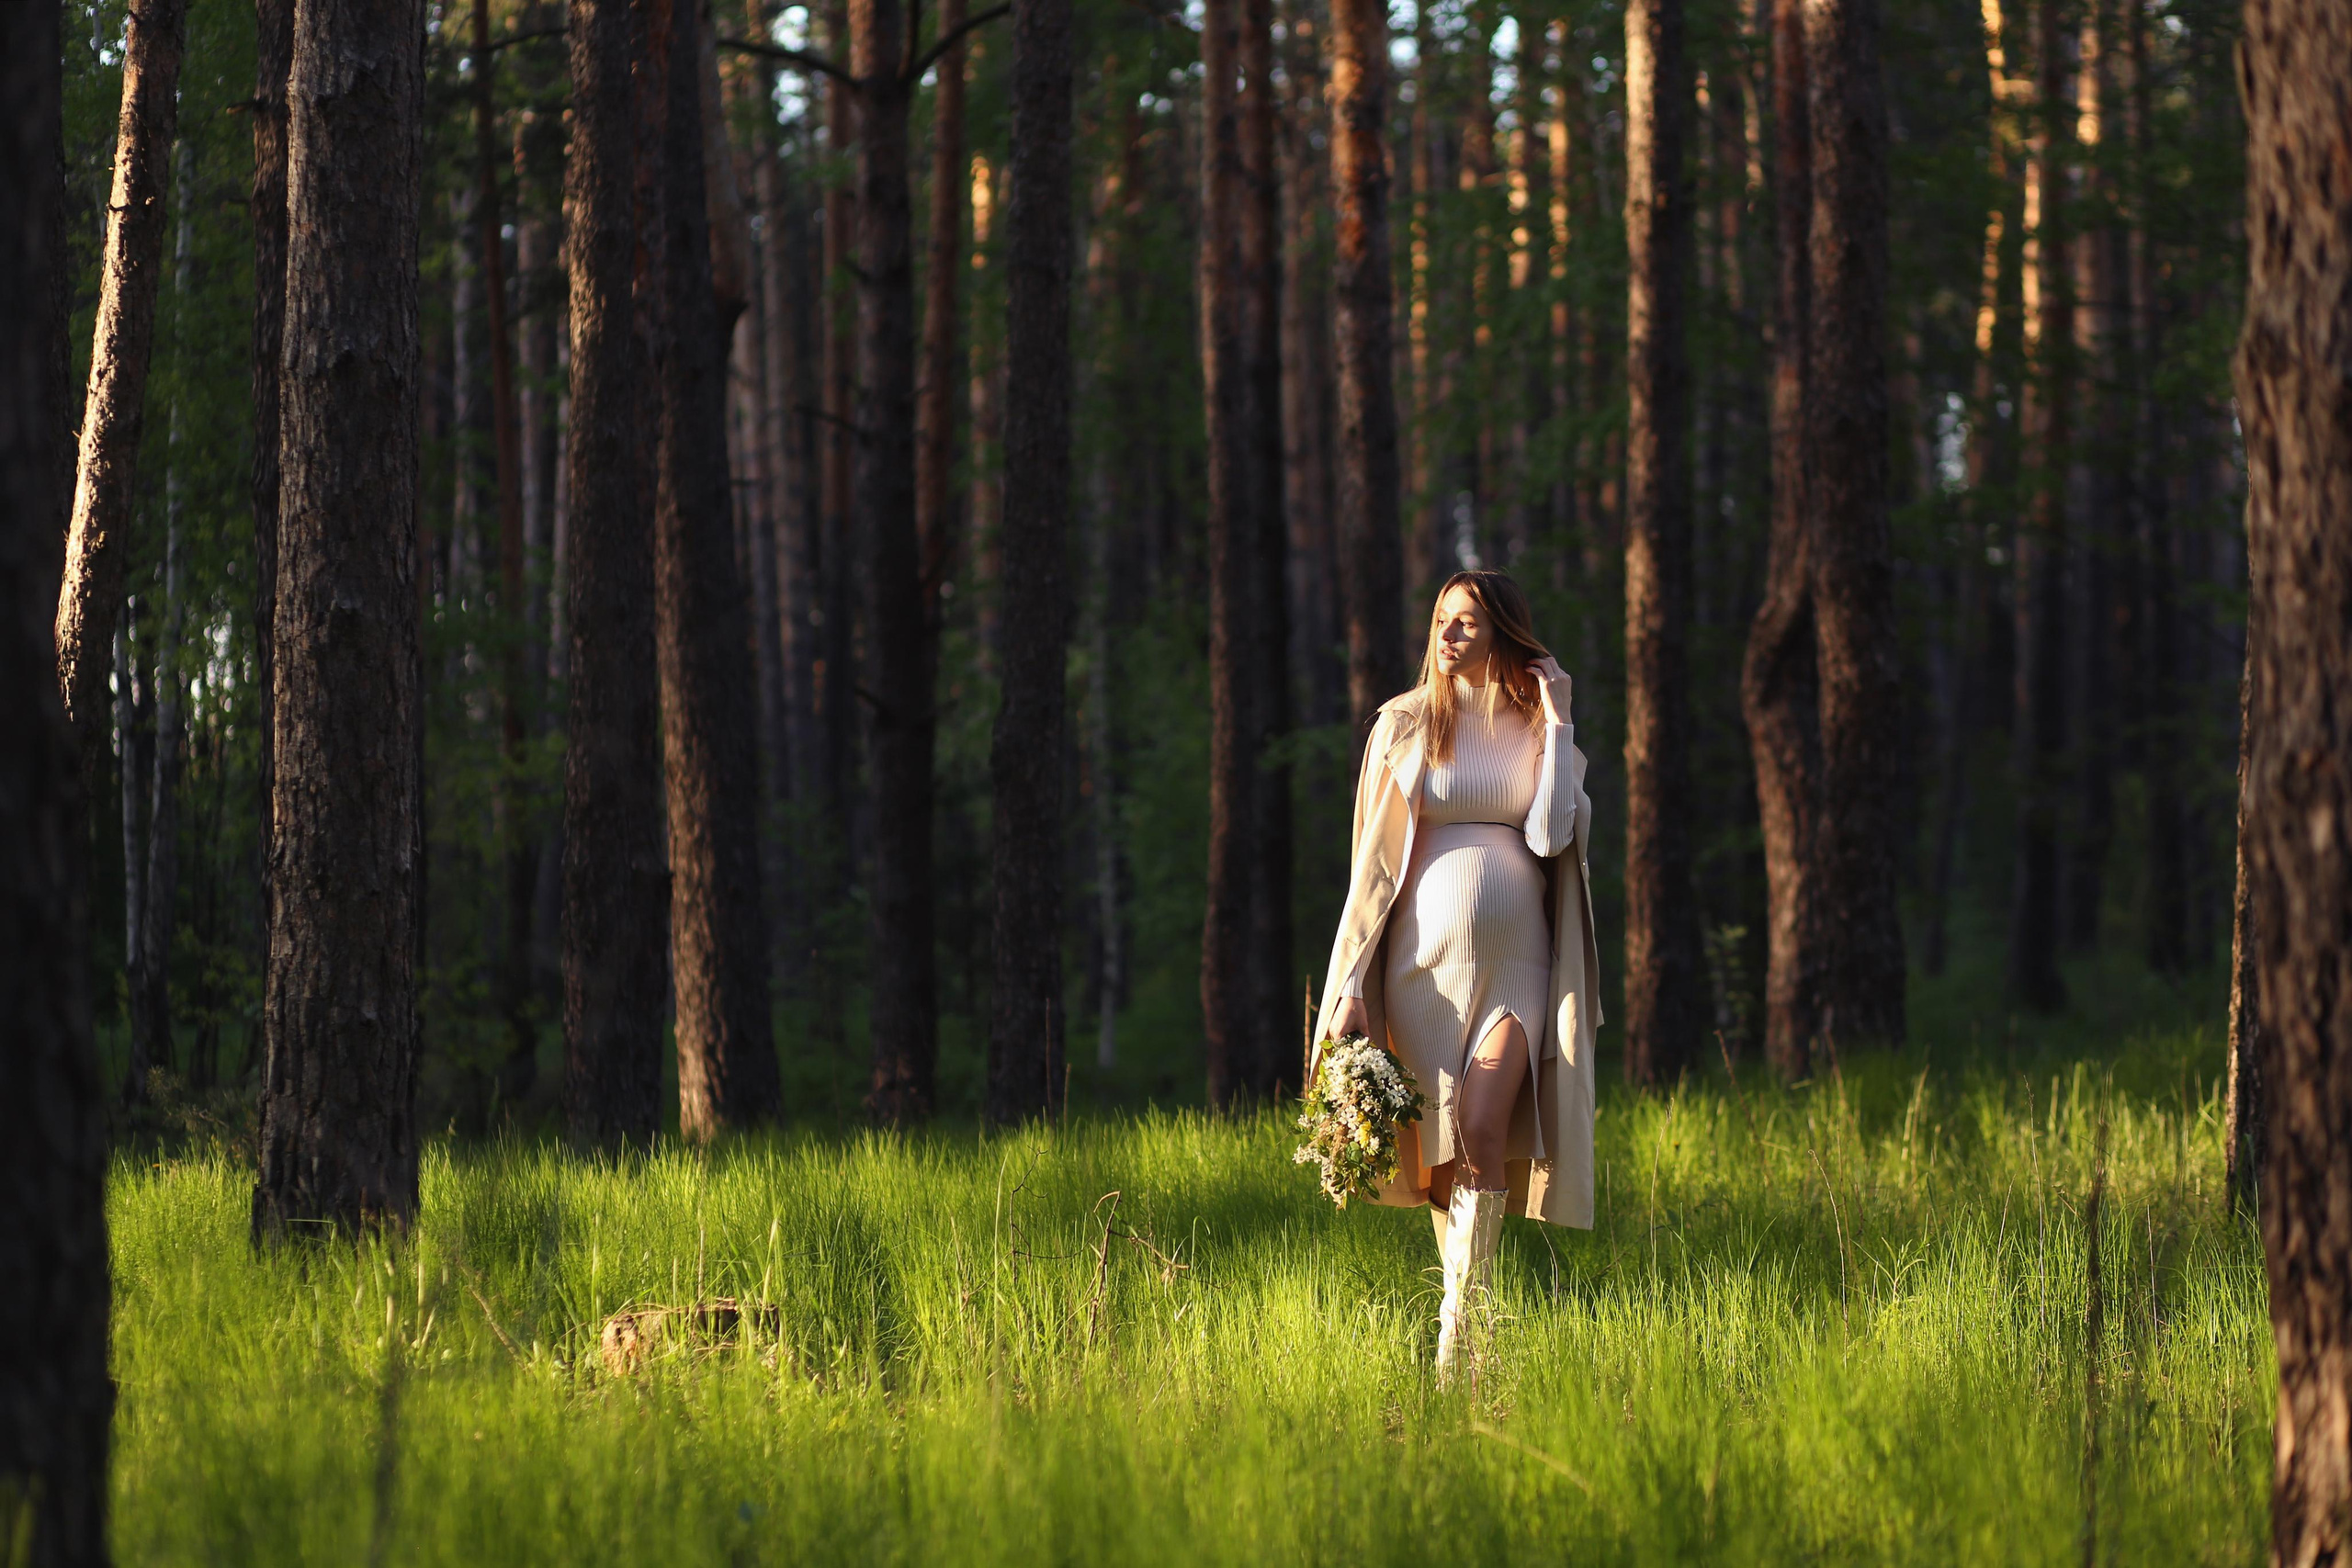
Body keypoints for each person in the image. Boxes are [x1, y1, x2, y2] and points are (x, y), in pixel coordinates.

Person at [1312, 570, 1603, 1380]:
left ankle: (1455, 1342)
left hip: (1519, 965)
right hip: (1420, 972)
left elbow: (1549, 836)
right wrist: (1354, 989)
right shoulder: (1403, 724)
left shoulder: (1543, 729)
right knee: (1442, 1156)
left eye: (1468, 622)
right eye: (1442, 619)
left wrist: (1557, 717)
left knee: (1482, 1126)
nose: (1449, 635)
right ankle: (1476, 1353)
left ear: (1506, 630)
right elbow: (1369, 872)